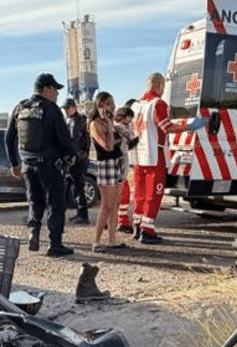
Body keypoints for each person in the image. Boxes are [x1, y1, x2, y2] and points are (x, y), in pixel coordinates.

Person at [5, 73, 77, 257]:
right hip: (50, 165)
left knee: (35, 201)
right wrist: (71, 155)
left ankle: (33, 232)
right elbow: (64, 139)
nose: (57, 95)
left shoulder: (21, 107)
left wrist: (14, 163)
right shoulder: (51, 109)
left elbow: (8, 137)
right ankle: (55, 245)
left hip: (28, 165)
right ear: (46, 89)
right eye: (55, 90)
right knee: (55, 204)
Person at [129, 73, 203, 244]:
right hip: (155, 155)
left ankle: (138, 226)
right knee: (154, 194)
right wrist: (191, 125)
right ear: (160, 85)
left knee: (140, 193)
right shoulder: (158, 104)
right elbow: (167, 127)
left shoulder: (136, 105)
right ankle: (147, 230)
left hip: (138, 156)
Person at [87, 91, 125, 251]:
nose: (109, 107)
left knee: (115, 204)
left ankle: (112, 239)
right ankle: (96, 241)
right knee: (106, 205)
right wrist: (109, 124)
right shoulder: (95, 124)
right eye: (105, 104)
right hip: (105, 164)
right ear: (99, 106)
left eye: (111, 103)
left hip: (117, 163)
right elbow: (107, 146)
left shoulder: (111, 123)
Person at [63, 98, 91, 224]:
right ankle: (80, 213)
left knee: (78, 187)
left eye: (68, 108)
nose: (66, 110)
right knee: (76, 187)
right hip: (79, 159)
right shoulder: (77, 120)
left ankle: (83, 215)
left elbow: (74, 142)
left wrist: (70, 157)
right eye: (65, 108)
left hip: (77, 160)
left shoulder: (76, 121)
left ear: (74, 107)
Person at [113, 105, 137, 233]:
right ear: (126, 117)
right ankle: (122, 222)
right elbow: (131, 144)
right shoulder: (124, 129)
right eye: (130, 117)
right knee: (123, 193)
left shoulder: (113, 127)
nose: (131, 120)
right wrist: (141, 137)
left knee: (115, 195)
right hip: (122, 164)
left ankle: (111, 221)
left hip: (114, 164)